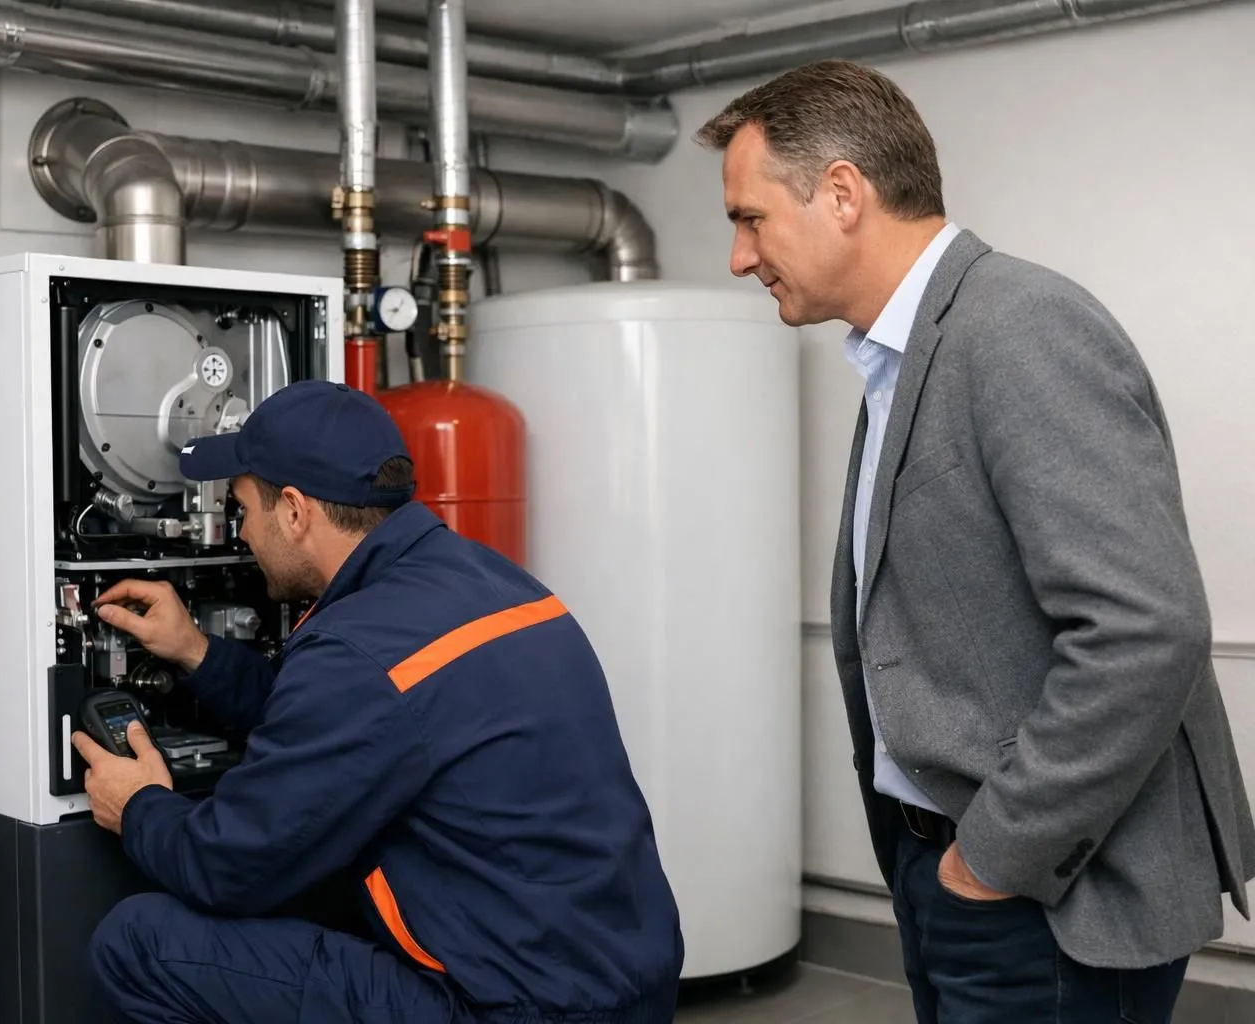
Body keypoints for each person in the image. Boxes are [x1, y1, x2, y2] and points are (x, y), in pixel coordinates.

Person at [696, 59, 1255, 1022]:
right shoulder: (900, 355)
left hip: (1041, 891)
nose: (740, 257)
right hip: (949, 866)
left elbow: (1144, 630)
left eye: (750, 219)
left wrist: (989, 862)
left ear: (841, 194)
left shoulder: (1019, 329)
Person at [69, 379, 684, 1024]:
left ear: (297, 512)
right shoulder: (496, 583)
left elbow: (226, 866)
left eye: (244, 508)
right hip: (628, 984)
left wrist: (138, 807)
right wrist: (197, 651)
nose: (241, 533)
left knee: (140, 943)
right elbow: (359, 722)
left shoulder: (357, 651)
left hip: (513, 1009)